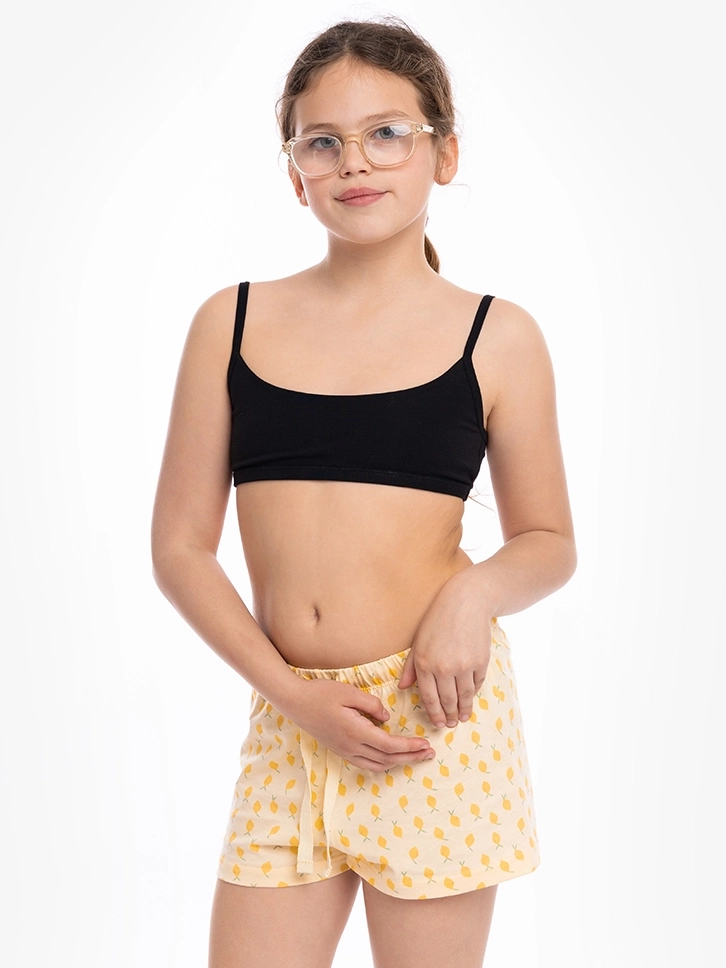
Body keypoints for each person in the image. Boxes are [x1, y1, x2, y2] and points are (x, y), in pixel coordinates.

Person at [151, 16, 576, 968]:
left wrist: (472, 595)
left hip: (435, 723)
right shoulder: (231, 321)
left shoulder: (498, 337)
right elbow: (179, 549)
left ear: (445, 155)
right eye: (322, 142)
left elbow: (549, 540)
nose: (354, 161)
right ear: (294, 173)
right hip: (289, 721)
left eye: (388, 133)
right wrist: (291, 696)